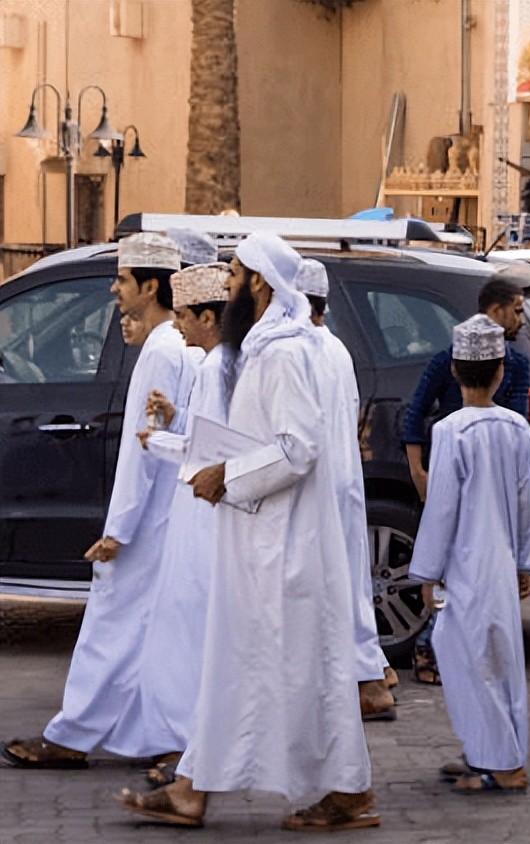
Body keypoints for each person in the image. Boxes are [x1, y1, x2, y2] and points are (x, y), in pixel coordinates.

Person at [117, 233, 377, 831]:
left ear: (258, 282)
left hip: (284, 546)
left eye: (233, 276)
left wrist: (226, 477)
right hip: (259, 541)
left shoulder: (284, 353)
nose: (228, 287)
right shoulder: (267, 348)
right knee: (235, 666)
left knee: (307, 670)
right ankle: (192, 789)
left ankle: (348, 793)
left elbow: (297, 447)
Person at [3, 234, 199, 770]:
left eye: (122, 280)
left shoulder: (163, 351)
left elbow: (144, 450)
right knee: (153, 631)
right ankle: (158, 737)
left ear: (151, 286)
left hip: (150, 520)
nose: (114, 289)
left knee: (110, 624)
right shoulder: (172, 347)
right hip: (167, 518)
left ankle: (71, 736)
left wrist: (120, 529)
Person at [407, 314, 530, 793]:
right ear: (501, 372)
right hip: (501, 560)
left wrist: (427, 573)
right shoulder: (516, 429)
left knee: (470, 659)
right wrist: (528, 562)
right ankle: (486, 751)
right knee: (497, 659)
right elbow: (528, 499)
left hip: (466, 564)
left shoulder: (451, 432)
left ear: (454, 371)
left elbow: (441, 508)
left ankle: (503, 765)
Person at [130, 262, 233, 789]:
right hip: (198, 512)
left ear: (209, 316)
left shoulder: (219, 367)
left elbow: (213, 452)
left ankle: (192, 752)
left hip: (206, 515)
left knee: (191, 631)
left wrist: (160, 441)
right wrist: (174, 420)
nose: (178, 325)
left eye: (187, 316)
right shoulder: (216, 364)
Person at [401, 277, 530, 684]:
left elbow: (519, 442)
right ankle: (433, 647)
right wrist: (419, 471)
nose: (522, 319)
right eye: (518, 309)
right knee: (452, 567)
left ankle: (477, 651)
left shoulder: (518, 373)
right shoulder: (446, 390)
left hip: (493, 487)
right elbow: (414, 414)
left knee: (486, 573)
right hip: (452, 478)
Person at [294, 258, 397, 720]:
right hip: (343, 482)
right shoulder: (334, 347)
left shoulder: (301, 350)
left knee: (331, 589)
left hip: (317, 486)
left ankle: (367, 682)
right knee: (349, 585)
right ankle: (371, 671)